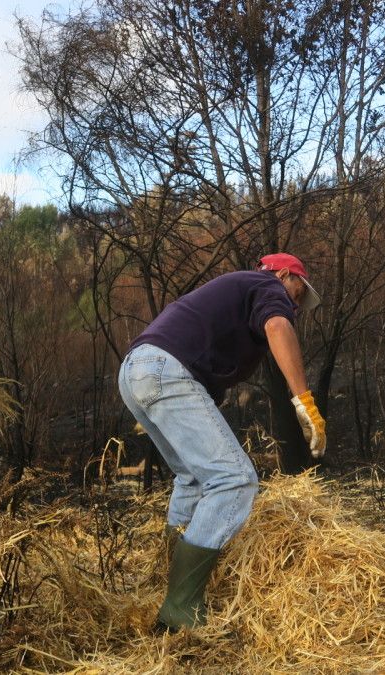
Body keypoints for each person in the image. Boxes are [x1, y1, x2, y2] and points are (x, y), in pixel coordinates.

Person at [119, 253, 326, 632]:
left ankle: (165, 583)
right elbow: (279, 327)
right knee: (234, 479)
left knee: (193, 478)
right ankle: (180, 609)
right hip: (166, 370)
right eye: (299, 291)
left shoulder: (237, 292)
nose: (297, 303)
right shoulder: (266, 286)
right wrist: (304, 400)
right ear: (284, 274)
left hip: (137, 369)